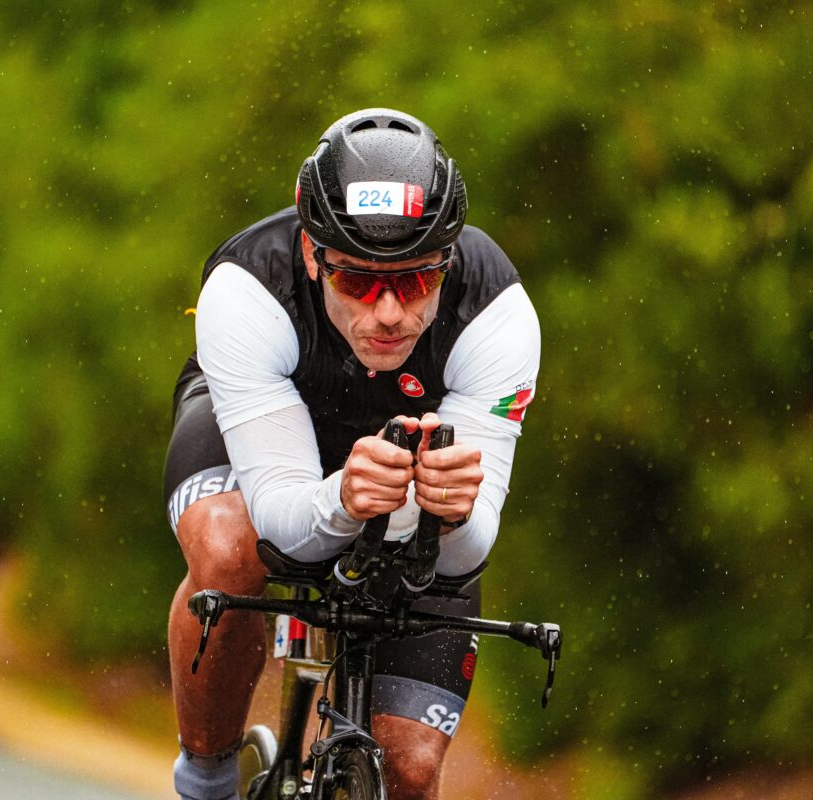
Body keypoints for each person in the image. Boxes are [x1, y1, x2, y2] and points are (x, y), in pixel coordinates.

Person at [163, 108, 540, 800]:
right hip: (262, 428)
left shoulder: (497, 312)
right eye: (359, 282)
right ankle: (207, 779)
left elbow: (463, 557)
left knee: (411, 771)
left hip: (400, 481)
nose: (390, 313)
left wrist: (452, 516)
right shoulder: (250, 289)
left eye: (417, 280)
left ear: (449, 260)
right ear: (313, 255)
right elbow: (281, 523)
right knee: (228, 551)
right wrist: (340, 499)